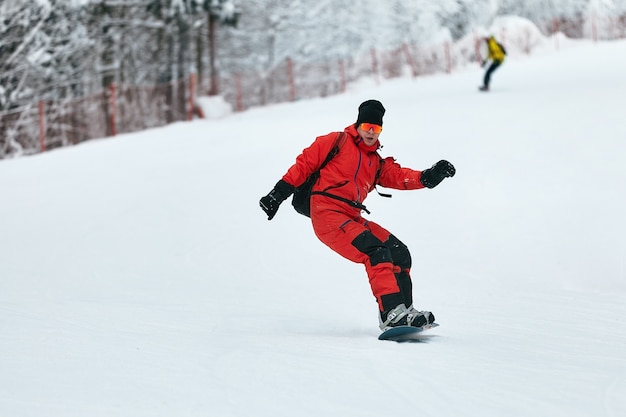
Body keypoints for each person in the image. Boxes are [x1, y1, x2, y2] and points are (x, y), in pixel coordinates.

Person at [259, 100, 455, 331]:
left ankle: (404, 311)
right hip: (327, 214)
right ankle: (390, 312)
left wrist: (429, 176)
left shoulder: (375, 162)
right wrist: (277, 194)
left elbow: (400, 176)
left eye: (377, 128)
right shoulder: (335, 141)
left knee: (400, 253)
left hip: (351, 216)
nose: (371, 132)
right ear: (358, 124)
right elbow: (304, 165)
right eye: (367, 127)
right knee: (376, 251)